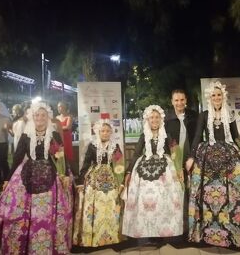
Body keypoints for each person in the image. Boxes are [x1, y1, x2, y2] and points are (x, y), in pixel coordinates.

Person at [186, 81, 240, 248]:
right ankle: (210, 231)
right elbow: (196, 136)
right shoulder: (204, 115)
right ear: (209, 97)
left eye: (219, 95)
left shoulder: (229, 114)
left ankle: (234, 229)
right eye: (214, 95)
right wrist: (191, 157)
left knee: (236, 192)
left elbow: (236, 136)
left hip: (230, 153)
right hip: (207, 155)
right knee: (210, 194)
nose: (216, 98)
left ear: (223, 97)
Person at [0, 102, 73, 254]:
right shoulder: (25, 135)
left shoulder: (54, 134)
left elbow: (61, 158)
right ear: (32, 117)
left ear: (48, 117)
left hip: (50, 176)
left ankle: (47, 245)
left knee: (48, 213)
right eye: (37, 115)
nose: (40, 118)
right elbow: (17, 158)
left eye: (43, 115)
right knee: (17, 212)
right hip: (27, 175)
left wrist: (65, 174)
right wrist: (7, 179)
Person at [122, 105, 184, 241]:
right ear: (147, 120)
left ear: (161, 119)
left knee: (163, 198)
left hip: (165, 168)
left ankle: (163, 231)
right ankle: (147, 231)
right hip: (145, 166)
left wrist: (179, 169)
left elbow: (175, 152)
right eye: (152, 118)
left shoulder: (167, 134)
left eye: (157, 117)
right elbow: (137, 153)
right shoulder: (144, 134)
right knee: (144, 197)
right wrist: (128, 171)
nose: (154, 120)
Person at [73, 114, 124, 247]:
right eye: (103, 131)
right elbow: (85, 164)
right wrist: (79, 182)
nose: (105, 133)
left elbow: (119, 166)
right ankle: (93, 237)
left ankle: (111, 237)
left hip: (111, 178)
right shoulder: (92, 146)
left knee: (111, 206)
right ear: (98, 132)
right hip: (94, 178)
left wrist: (121, 182)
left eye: (108, 131)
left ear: (111, 132)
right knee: (94, 206)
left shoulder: (115, 146)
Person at [165, 89, 198, 238]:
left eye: (182, 100)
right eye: (176, 100)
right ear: (172, 102)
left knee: (191, 193)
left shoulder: (194, 117)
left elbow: (198, 138)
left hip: (192, 160)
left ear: (186, 101)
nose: (179, 103)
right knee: (177, 194)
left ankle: (190, 226)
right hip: (173, 163)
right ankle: (177, 228)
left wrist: (194, 157)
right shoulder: (166, 118)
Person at [56, 101, 74, 168]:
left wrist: (58, 128)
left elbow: (68, 127)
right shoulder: (57, 117)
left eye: (60, 106)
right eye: (58, 107)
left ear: (65, 107)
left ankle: (70, 173)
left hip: (66, 139)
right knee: (59, 156)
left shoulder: (69, 116)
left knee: (67, 156)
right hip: (58, 138)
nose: (58, 108)